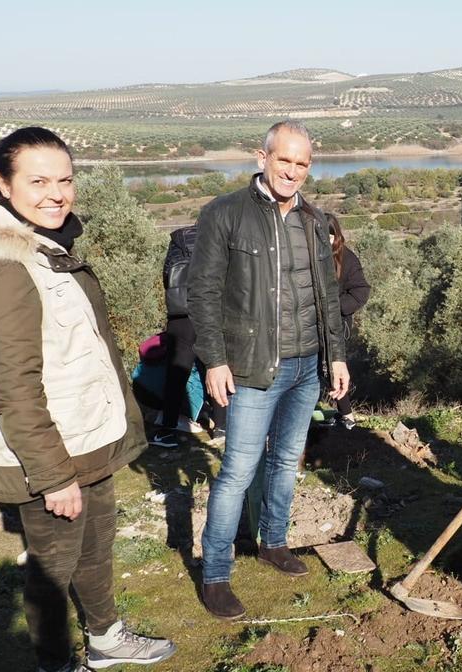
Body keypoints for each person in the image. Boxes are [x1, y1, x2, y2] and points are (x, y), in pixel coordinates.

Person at [0, 127, 175, 672]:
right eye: (39, 181)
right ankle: (57, 662)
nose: (57, 193)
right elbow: (12, 383)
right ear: (3, 185)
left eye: (65, 180)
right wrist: (53, 475)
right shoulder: (1, 267)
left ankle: (106, 639)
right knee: (52, 569)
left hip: (83, 436)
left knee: (94, 551)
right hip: (49, 451)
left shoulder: (38, 249)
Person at [188, 120, 349, 620]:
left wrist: (335, 355)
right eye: (285, 161)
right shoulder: (224, 214)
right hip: (254, 367)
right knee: (237, 470)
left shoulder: (314, 221)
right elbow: (203, 292)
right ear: (262, 157)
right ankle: (215, 575)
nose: (293, 172)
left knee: (284, 461)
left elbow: (326, 294)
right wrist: (214, 359)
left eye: (302, 164)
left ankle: (274, 542)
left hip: (306, 367)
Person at [150, 225, 226, 447]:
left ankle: (167, 430)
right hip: (211, 313)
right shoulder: (216, 238)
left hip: (180, 317)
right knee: (216, 366)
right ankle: (221, 427)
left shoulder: (177, 242)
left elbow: (167, 275)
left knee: (176, 375)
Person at [325, 213, 370, 430]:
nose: (326, 242)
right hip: (305, 325)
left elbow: (361, 291)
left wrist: (335, 307)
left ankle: (347, 416)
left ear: (337, 236)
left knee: (332, 369)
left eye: (330, 236)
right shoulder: (302, 256)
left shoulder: (347, 259)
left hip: (336, 326)